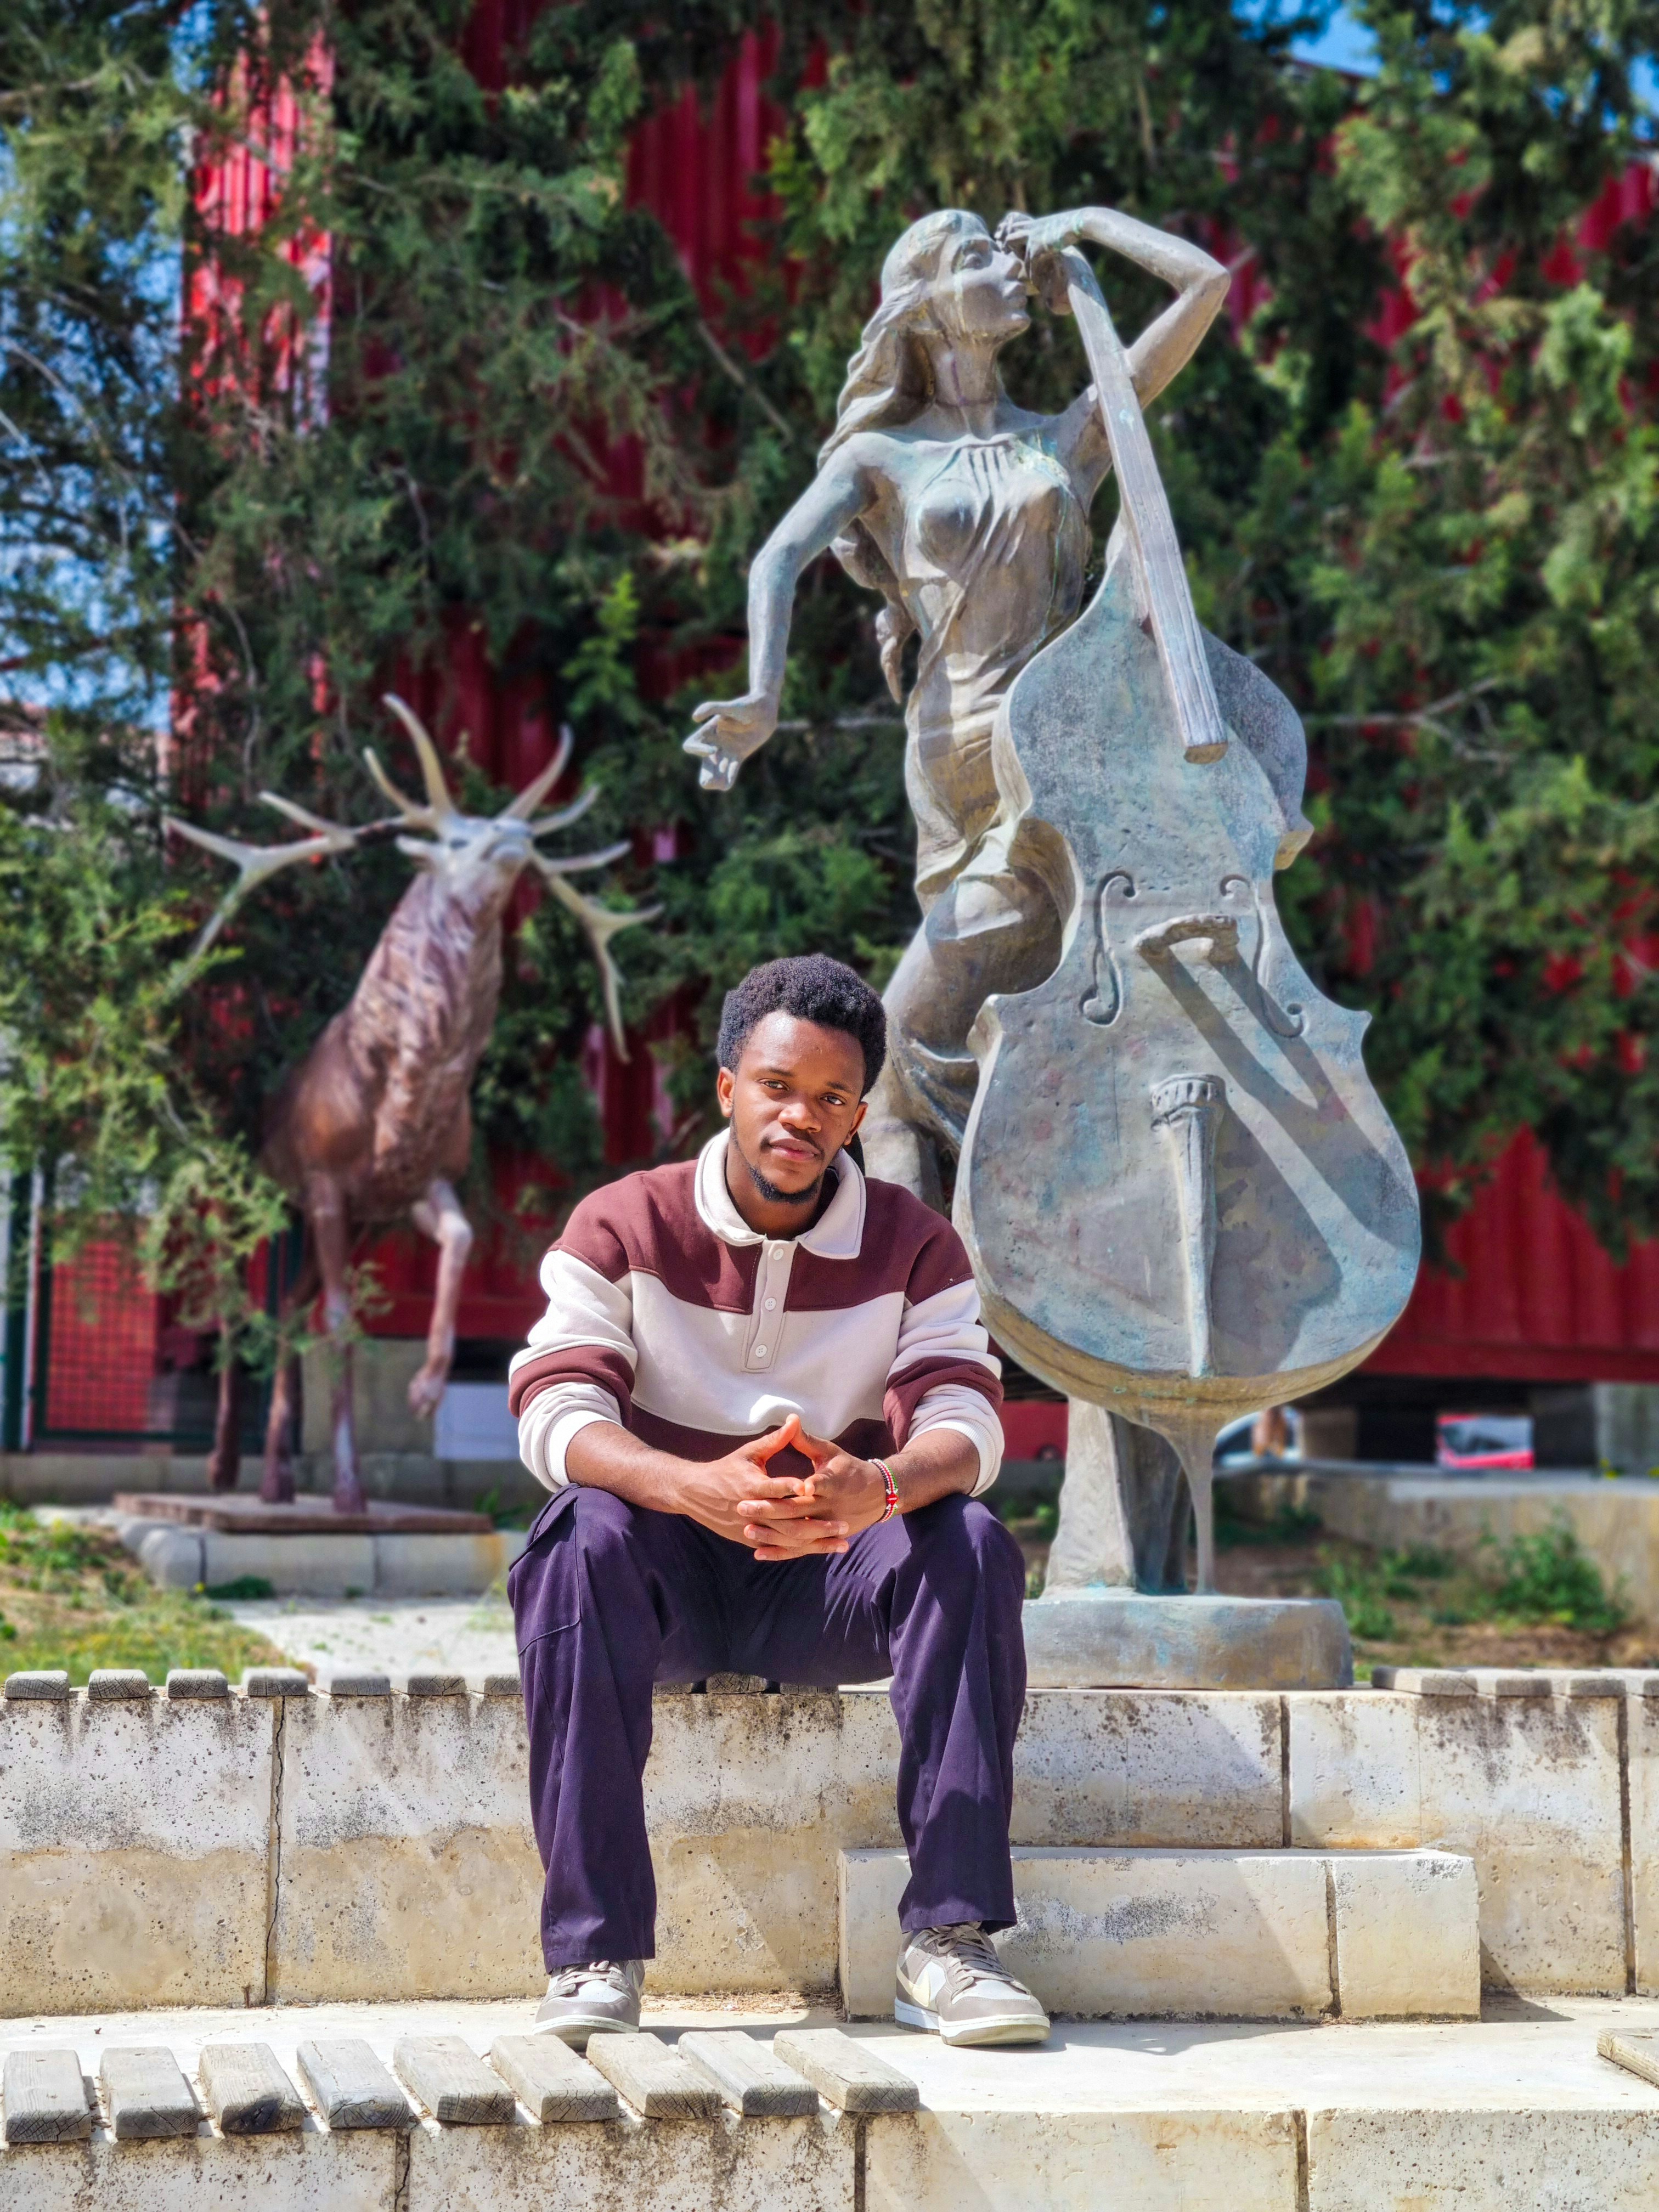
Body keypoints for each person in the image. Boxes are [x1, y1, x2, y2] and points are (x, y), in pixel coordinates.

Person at [681, 206, 1281, 1210]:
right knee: (968, 1047)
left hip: (1054, 764)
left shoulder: (1067, 437)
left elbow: (1207, 284)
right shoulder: (881, 455)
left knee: (908, 1068)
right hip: (949, 768)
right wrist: (764, 692)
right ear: (924, 307)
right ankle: (953, 1288)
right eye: (978, 260)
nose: (1008, 269)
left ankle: (932, 1287)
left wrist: (1089, 226)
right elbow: (777, 557)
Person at [507, 952, 1047, 2050]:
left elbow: (969, 1420)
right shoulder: (622, 1222)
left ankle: (950, 1943)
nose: (802, 1116)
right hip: (661, 1579)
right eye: (777, 1086)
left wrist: (879, 1488)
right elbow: (553, 1407)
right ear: (728, 1087)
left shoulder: (916, 1244)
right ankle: (594, 1951)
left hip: (826, 1581)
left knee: (970, 1542)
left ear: (858, 1115)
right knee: (578, 1535)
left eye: (833, 1098)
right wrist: (687, 1485)